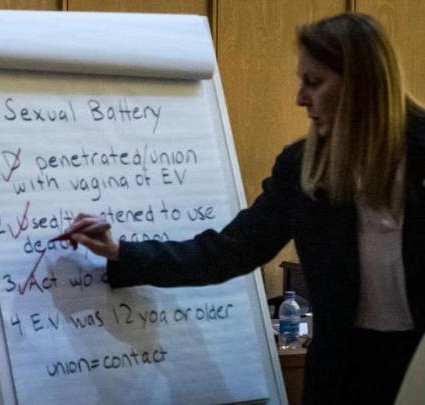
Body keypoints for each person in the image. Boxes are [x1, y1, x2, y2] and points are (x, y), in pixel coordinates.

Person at [62, 13, 423, 405]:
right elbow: (227, 252)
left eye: (314, 82)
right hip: (341, 377)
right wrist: (120, 252)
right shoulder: (301, 169)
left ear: (360, 85)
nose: (300, 97)